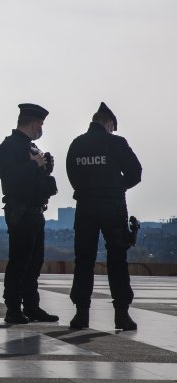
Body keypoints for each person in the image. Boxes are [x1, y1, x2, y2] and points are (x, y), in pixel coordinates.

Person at [66, 102, 142, 331]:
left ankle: (81, 315)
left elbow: (72, 175)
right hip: (112, 207)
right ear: (108, 123)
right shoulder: (115, 142)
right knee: (117, 260)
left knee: (84, 260)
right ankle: (121, 315)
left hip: (85, 207)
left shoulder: (77, 144)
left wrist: (89, 190)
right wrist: (117, 187)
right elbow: (136, 172)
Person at [0, 103, 59, 324]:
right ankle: (13, 308)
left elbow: (36, 180)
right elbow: (11, 180)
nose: (41, 128)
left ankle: (31, 306)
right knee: (20, 262)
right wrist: (34, 165)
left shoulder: (31, 147)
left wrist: (45, 168)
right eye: (40, 124)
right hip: (21, 211)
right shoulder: (9, 147)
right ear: (33, 123)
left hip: (35, 210)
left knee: (34, 262)